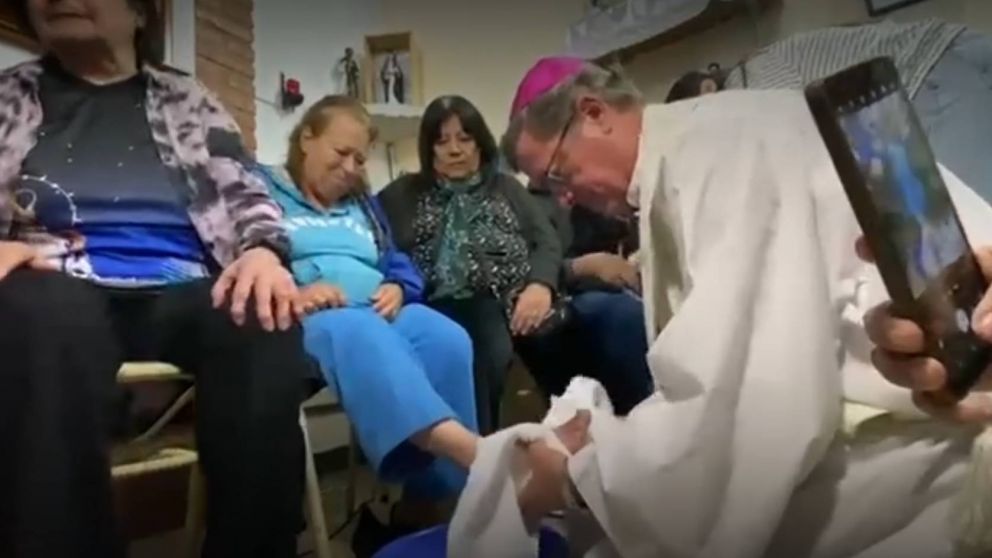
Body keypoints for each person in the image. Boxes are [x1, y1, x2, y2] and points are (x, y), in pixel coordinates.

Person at [496, 56, 992, 557]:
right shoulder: (702, 139)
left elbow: (749, 397)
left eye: (559, 175)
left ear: (594, 112)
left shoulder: (718, 154)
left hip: (941, 435)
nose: (563, 200)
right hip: (915, 398)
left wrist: (578, 479)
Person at [0, 1, 314, 557]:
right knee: (40, 315)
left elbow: (247, 194)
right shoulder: (9, 95)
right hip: (51, 276)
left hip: (182, 283)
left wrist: (265, 252)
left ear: (141, 11)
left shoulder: (188, 99)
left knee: (261, 319)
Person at [253, 95, 479, 557]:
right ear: (306, 138)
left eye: (360, 158)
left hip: (379, 307)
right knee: (361, 332)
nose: (352, 166)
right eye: (341, 153)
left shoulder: (362, 206)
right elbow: (243, 251)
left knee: (447, 337)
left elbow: (395, 260)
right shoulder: (262, 188)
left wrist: (399, 285)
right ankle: (472, 455)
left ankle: (427, 503)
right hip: (309, 315)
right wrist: (293, 291)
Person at [378, 95, 563, 434]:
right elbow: (371, 235)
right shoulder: (403, 194)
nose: (455, 150)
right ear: (428, 148)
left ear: (480, 142)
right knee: (476, 329)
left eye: (464, 138)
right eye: (442, 140)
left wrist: (540, 285)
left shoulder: (506, 188)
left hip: (513, 299)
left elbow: (547, 242)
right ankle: (475, 457)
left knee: (592, 321)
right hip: (436, 303)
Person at [716, 18, 992, 202]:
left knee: (979, 224)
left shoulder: (742, 82)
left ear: (706, 91)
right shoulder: (776, 53)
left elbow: (792, 140)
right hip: (949, 43)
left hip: (922, 84)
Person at [519, 186, 653, 415]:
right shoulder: (524, 203)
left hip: (632, 276)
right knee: (621, 315)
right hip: (563, 295)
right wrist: (581, 267)